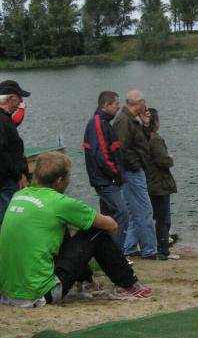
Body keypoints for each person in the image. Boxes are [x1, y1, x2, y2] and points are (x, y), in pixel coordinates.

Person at [0, 151, 153, 306]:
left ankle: (86, 282)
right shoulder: (60, 203)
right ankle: (127, 285)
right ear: (59, 181)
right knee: (96, 232)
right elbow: (112, 225)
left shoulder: (19, 196)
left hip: (7, 293)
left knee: (59, 227)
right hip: (40, 294)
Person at [112, 89, 158, 259]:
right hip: (131, 172)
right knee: (145, 210)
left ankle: (129, 246)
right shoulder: (124, 121)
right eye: (144, 102)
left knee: (132, 211)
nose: (145, 106)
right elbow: (121, 148)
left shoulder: (130, 120)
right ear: (139, 103)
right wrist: (135, 165)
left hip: (129, 172)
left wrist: (145, 125)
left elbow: (140, 142)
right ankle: (149, 250)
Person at [83, 90, 129, 251]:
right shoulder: (97, 124)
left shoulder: (104, 123)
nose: (118, 107)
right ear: (106, 105)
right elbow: (102, 156)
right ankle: (116, 255)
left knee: (109, 218)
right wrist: (116, 174)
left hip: (106, 179)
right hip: (105, 180)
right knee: (122, 213)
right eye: (116, 104)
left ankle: (106, 253)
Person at [144, 107, 179, 260]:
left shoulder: (144, 138)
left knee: (153, 217)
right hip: (159, 184)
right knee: (163, 219)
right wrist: (170, 158)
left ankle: (154, 247)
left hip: (150, 182)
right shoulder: (155, 139)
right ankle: (163, 251)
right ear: (156, 122)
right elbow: (162, 161)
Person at [0, 79, 31, 226]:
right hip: (6, 181)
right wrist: (18, 175)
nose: (20, 104)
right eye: (19, 99)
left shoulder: (5, 118)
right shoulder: (2, 119)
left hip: (8, 177)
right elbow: (2, 151)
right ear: (11, 99)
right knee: (8, 218)